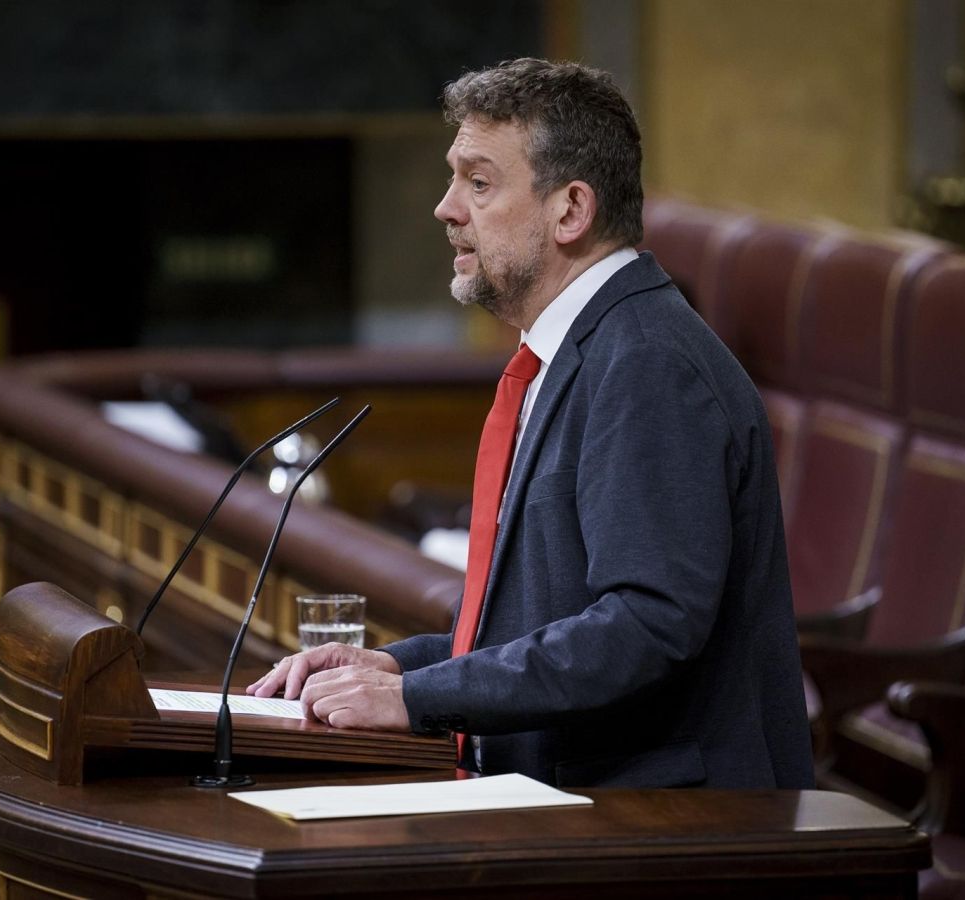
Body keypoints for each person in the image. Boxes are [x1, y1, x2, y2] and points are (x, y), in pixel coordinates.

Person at [249, 57, 813, 789]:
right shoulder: (587, 349)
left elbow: (647, 626)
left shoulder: (647, 363)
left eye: (479, 183)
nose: (446, 208)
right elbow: (544, 621)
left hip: (663, 822)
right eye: (454, 180)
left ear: (570, 211)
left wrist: (417, 700)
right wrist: (396, 667)